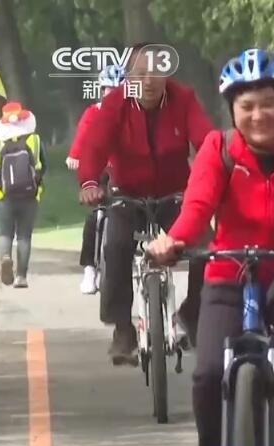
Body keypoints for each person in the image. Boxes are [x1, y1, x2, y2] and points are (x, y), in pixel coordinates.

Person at [146, 48, 274, 446]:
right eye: (247, 106)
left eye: (268, 103)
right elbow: (198, 205)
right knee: (207, 376)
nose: (259, 115)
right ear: (232, 110)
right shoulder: (218, 149)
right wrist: (174, 239)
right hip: (230, 271)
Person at [75, 41, 214, 366]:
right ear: (128, 77)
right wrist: (90, 183)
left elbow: (207, 142)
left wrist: (211, 179)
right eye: (140, 74)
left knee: (208, 249)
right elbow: (94, 146)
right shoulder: (115, 103)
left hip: (175, 193)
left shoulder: (184, 99)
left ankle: (193, 312)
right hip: (127, 194)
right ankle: (122, 328)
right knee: (115, 246)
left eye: (155, 73)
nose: (148, 81)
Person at [68, 64, 123, 294]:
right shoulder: (94, 112)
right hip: (100, 170)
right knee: (95, 217)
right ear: (101, 91)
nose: (112, 93)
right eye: (108, 89)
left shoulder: (136, 112)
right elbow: (83, 136)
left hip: (127, 170)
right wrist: (74, 155)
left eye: (117, 89)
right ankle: (90, 269)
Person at [0, 102, 46, 288]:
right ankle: (21, 277)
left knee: (5, 233)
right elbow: (43, 166)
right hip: (30, 195)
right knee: (24, 236)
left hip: (3, 195)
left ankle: (6, 257)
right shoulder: (34, 139)